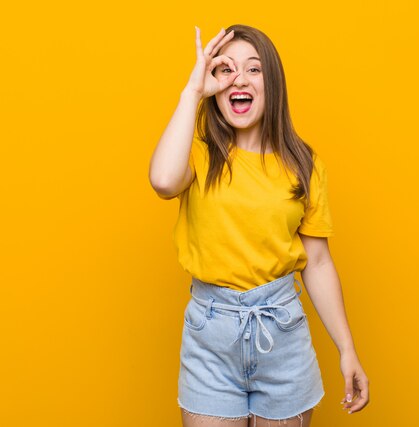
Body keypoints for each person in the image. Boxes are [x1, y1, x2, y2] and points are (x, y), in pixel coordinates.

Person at [149, 24, 369, 427]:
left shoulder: (303, 164)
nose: (239, 79)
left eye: (253, 69)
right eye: (225, 70)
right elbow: (163, 181)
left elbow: (317, 262)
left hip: (281, 332)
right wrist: (192, 91)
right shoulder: (199, 156)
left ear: (273, 83)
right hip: (209, 336)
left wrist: (347, 349)